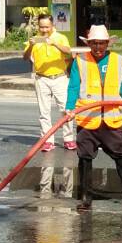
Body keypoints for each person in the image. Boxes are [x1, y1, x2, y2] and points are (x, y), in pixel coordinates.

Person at [66, 25, 122, 212]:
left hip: (111, 120)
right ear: (88, 44)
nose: (97, 47)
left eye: (101, 43)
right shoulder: (80, 61)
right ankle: (86, 199)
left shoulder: (117, 61)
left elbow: (121, 87)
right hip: (88, 120)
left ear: (107, 43)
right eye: (94, 43)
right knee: (85, 158)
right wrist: (69, 109)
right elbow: (73, 87)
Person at [22, 14, 76, 153]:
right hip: (41, 78)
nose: (44, 29)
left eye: (47, 26)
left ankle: (68, 139)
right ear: (38, 26)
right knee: (44, 112)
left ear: (52, 25)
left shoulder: (60, 37)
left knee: (65, 109)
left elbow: (69, 52)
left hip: (60, 77)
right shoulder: (34, 39)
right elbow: (25, 57)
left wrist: (55, 43)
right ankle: (47, 140)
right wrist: (31, 45)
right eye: (42, 27)